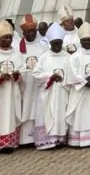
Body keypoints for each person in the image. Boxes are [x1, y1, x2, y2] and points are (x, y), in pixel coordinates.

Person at [65, 22, 90, 147]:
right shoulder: (75, 56)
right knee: (80, 114)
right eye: (84, 40)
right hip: (80, 91)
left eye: (89, 40)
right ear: (80, 41)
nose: (87, 42)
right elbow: (72, 72)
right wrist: (84, 82)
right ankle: (78, 139)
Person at [32, 23, 70, 150]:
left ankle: (60, 139)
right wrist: (50, 76)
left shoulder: (68, 57)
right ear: (51, 43)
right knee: (49, 113)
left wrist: (64, 78)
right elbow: (36, 74)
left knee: (61, 113)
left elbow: (73, 74)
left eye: (59, 43)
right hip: (48, 93)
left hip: (63, 92)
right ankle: (48, 141)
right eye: (55, 43)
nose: (57, 46)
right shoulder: (44, 58)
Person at [17, 14, 48, 146]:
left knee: (40, 107)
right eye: (28, 31)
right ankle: (26, 139)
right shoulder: (18, 48)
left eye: (33, 31)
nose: (31, 34)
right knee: (27, 107)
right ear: (23, 32)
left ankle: (40, 138)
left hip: (40, 84)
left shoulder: (43, 45)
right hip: (26, 84)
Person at [0, 20, 24, 154]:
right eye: (5, 37)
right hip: (1, 91)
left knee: (10, 115)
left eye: (10, 37)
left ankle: (9, 143)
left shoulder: (17, 54)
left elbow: (22, 70)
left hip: (12, 90)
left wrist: (17, 75)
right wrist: (1, 77)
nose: (8, 40)